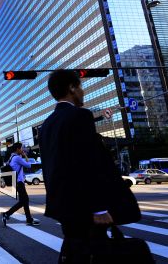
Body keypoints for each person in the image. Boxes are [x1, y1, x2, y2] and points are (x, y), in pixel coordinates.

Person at [39, 70, 115, 262]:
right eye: (81, 87)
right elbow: (88, 162)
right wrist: (99, 208)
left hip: (62, 205)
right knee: (91, 253)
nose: (83, 92)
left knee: (74, 250)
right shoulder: (80, 116)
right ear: (72, 88)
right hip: (83, 206)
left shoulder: (46, 125)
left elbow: (51, 166)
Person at [1, 143, 40, 226]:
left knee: (24, 201)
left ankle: (29, 219)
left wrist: (22, 155)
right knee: (24, 201)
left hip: (17, 182)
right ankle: (7, 214)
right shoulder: (17, 158)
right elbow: (29, 165)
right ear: (17, 149)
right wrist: (25, 155)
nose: (22, 150)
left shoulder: (12, 157)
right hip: (19, 182)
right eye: (21, 148)